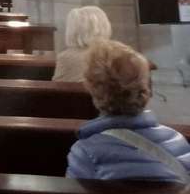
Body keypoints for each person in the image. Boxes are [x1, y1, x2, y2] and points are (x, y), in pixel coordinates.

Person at [67, 39, 190, 182]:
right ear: (147, 90)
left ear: (94, 91)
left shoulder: (85, 153)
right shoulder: (177, 142)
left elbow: (71, 192)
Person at [53, 6, 113, 82]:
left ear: (72, 30)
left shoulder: (65, 57)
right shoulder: (116, 53)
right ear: (104, 26)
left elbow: (57, 86)